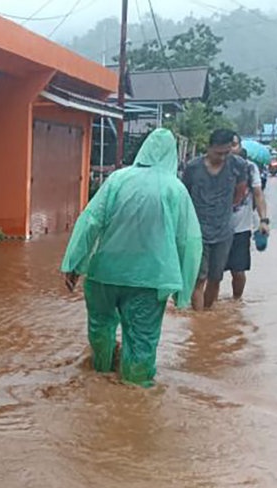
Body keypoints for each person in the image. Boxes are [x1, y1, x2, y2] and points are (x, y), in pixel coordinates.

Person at [61, 128, 202, 388]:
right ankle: (134, 395)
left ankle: (99, 376)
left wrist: (73, 264)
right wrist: (183, 290)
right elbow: (189, 242)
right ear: (172, 155)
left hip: (104, 273)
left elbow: (91, 221)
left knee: (100, 328)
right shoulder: (176, 190)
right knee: (141, 340)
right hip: (149, 280)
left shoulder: (118, 180)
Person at [181, 128, 248, 310]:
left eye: (227, 153)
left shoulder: (238, 165)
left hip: (223, 231)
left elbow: (240, 193)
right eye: (219, 153)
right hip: (197, 231)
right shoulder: (193, 167)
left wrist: (224, 210)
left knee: (215, 278)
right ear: (209, 148)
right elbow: (183, 196)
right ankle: (199, 323)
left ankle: (207, 316)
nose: (223, 157)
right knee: (198, 279)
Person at [227, 135, 271, 300]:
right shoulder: (216, 166)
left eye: (234, 144)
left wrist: (264, 221)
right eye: (228, 145)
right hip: (216, 228)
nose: (231, 148)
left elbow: (259, 195)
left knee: (238, 271)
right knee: (212, 275)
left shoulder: (250, 168)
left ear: (240, 147)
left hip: (241, 228)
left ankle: (236, 303)